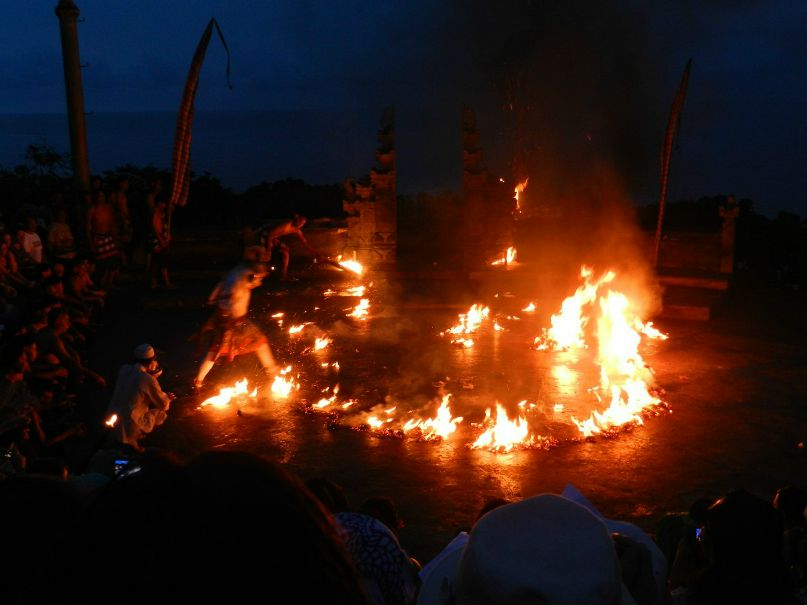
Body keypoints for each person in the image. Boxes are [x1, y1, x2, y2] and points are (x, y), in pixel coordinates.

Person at [193, 246, 279, 390]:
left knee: (261, 342)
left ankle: (273, 373)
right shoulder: (243, 276)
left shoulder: (238, 270)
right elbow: (253, 281)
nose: (260, 280)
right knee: (216, 351)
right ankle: (198, 381)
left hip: (236, 319)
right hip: (229, 321)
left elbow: (215, 295)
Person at [105, 343, 173, 452]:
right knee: (161, 413)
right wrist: (168, 398)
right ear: (151, 361)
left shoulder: (124, 369)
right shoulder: (147, 379)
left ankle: (128, 440)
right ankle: (137, 436)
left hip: (112, 417)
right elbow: (163, 404)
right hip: (130, 424)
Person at [257, 214, 320, 280]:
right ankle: (260, 274)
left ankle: (283, 276)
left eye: (303, 224)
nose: (302, 225)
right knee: (266, 256)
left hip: (272, 237)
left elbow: (304, 242)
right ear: (297, 221)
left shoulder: (296, 229)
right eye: (301, 223)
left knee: (285, 252)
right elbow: (269, 235)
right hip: (263, 234)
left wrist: (314, 252)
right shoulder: (286, 225)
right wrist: (268, 250)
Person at [86, 188, 121, 289]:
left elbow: (112, 224)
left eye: (102, 196)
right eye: (98, 195)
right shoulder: (92, 210)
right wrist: (91, 243)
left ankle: (109, 282)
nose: (100, 198)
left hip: (108, 237)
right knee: (102, 264)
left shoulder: (108, 208)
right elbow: (88, 228)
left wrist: (115, 239)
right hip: (98, 238)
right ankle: (100, 284)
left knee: (114, 260)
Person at [148, 192, 175, 289]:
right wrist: (161, 240)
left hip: (160, 238)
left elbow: (165, 225)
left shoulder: (163, 213)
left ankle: (153, 282)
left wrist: (167, 237)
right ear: (159, 203)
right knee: (161, 259)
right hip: (155, 239)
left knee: (157, 261)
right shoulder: (155, 212)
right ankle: (166, 282)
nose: (164, 205)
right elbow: (155, 228)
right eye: (163, 203)